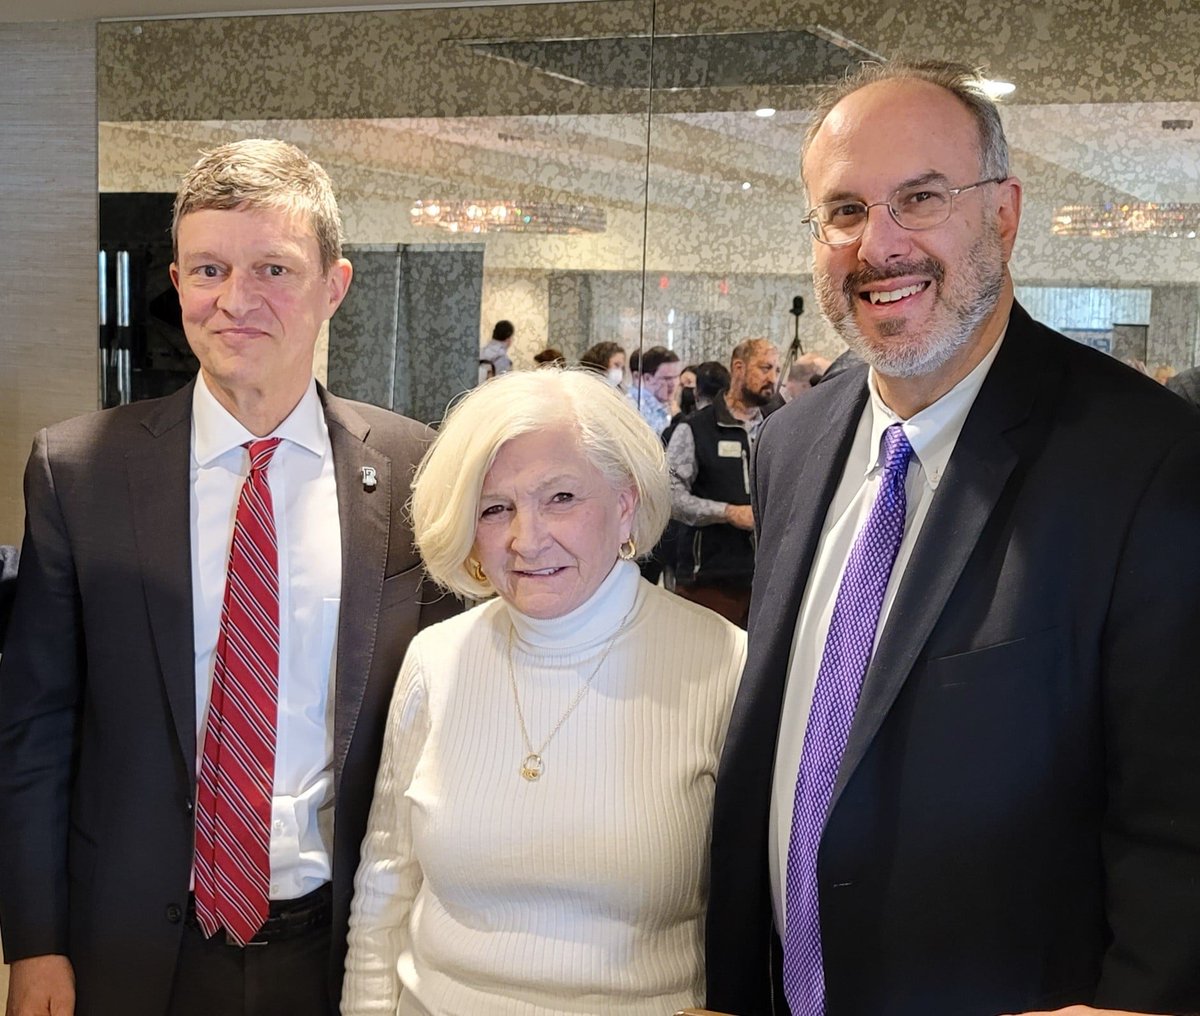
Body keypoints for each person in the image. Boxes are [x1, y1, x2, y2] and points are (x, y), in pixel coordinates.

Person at [706, 60, 1200, 1016]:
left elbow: (1181, 801)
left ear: (1003, 214)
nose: (877, 245)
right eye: (844, 209)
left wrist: (1144, 1002)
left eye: (920, 199)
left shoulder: (1146, 462)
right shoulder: (795, 444)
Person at [0, 139, 455, 1016]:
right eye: (208, 268)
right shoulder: (80, 470)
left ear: (335, 285)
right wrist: (36, 942)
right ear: (176, 279)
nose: (235, 300)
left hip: (343, 946)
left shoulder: (411, 470)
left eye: (273, 269)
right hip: (129, 945)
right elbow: (34, 726)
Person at [342, 368, 746, 1016]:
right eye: (495, 508)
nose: (526, 539)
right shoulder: (435, 660)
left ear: (624, 501)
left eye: (560, 497)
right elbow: (387, 881)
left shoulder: (724, 665)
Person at [666, 339, 779, 627]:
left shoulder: (777, 427)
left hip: (766, 580)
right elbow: (670, 496)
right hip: (709, 578)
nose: (772, 379)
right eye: (765, 368)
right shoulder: (695, 428)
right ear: (738, 368)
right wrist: (727, 512)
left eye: (776, 370)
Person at [627, 344, 681, 437]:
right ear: (648, 378)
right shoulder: (633, 406)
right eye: (667, 378)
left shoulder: (670, 406)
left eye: (676, 377)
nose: (673, 383)